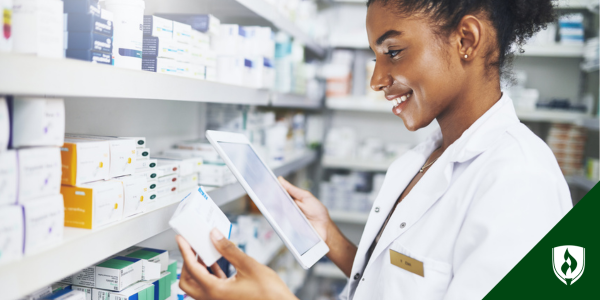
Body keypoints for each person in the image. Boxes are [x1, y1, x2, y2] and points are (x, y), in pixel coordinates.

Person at [176, 0, 573, 299]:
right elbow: (401, 283)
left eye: (393, 52)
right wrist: (330, 238)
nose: (377, 79)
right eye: (375, 57)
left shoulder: (521, 181)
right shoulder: (421, 160)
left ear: (466, 39)